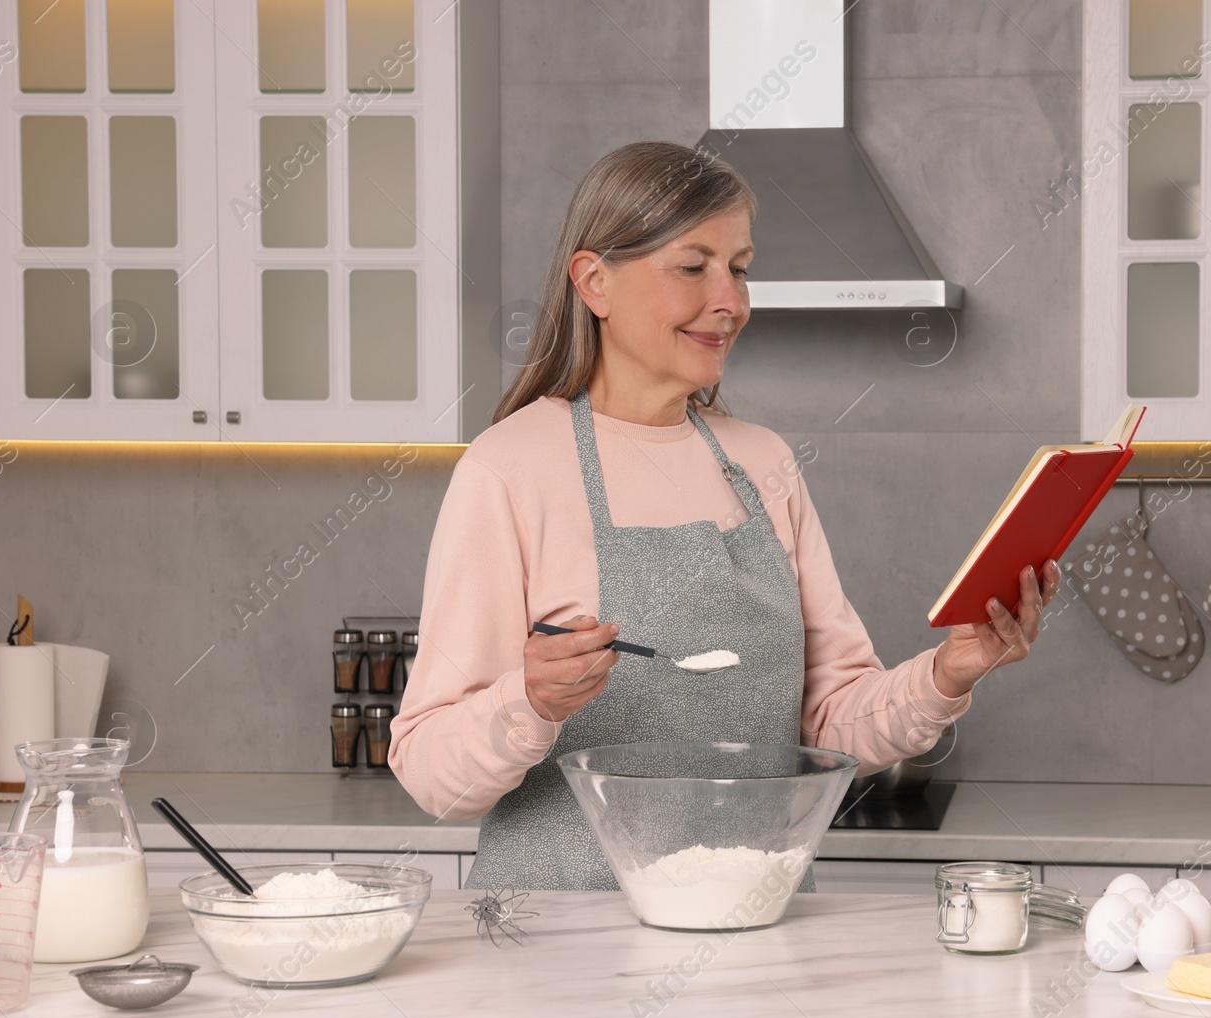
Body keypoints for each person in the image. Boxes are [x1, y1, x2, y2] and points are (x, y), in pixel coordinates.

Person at [390, 140, 1059, 890]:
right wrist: (529, 699)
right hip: (559, 953)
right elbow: (427, 773)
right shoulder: (508, 469)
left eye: (739, 268)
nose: (731, 301)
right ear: (594, 281)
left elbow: (833, 719)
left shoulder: (765, 465)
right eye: (693, 266)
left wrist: (947, 671)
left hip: (750, 932)